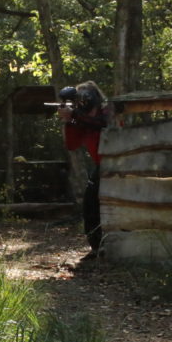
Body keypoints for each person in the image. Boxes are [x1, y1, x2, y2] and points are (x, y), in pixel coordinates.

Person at [56, 81, 112, 252]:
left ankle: (110, 246)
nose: (83, 103)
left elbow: (102, 124)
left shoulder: (108, 110)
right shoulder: (81, 118)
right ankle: (97, 248)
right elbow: (72, 145)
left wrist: (75, 116)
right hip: (101, 165)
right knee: (90, 206)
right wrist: (68, 120)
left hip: (120, 163)